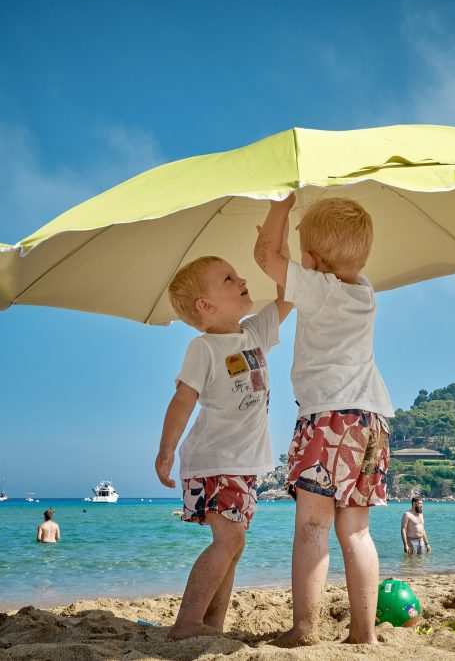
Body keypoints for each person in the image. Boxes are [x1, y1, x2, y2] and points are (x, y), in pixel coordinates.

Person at [255, 194, 393, 646]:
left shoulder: (319, 288)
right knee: (356, 531)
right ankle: (364, 634)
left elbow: (266, 257)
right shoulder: (364, 291)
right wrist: (303, 256)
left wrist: (280, 208)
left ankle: (304, 629)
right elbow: (288, 269)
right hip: (371, 420)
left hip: (329, 419)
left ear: (312, 262)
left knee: (313, 525)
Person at [154, 253, 291, 640]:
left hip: (244, 464)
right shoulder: (204, 348)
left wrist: (278, 250)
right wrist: (166, 451)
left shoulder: (255, 332)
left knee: (235, 544)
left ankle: (211, 626)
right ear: (206, 306)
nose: (242, 279)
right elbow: (182, 400)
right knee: (228, 539)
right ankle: (187, 623)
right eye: (229, 279)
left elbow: (289, 296)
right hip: (214, 460)